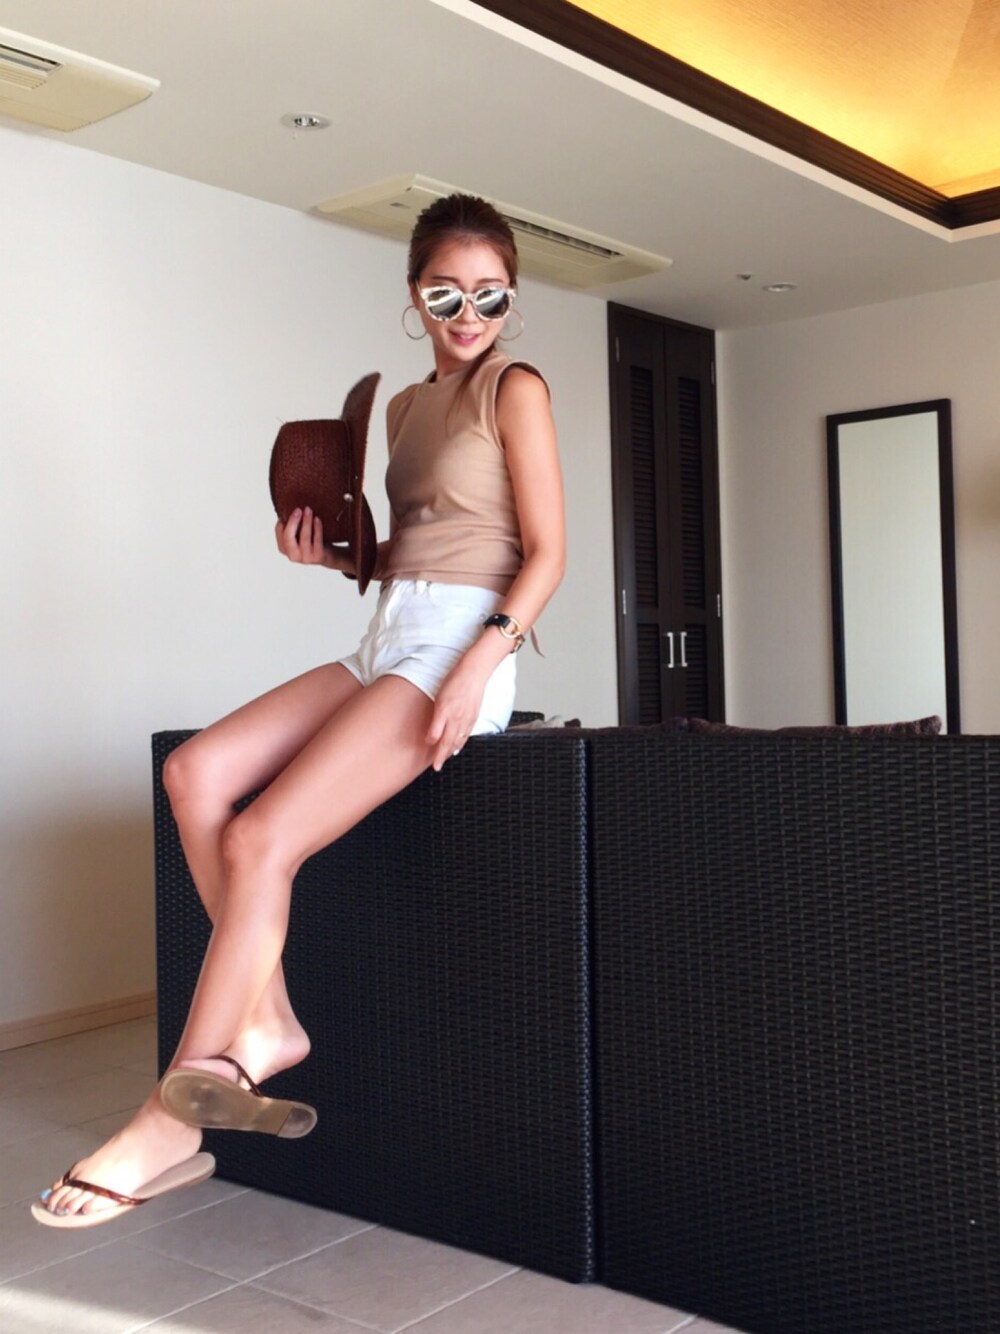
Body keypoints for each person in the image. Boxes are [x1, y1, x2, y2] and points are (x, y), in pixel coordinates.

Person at [33, 192, 565, 1225]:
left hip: (460, 645)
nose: (468, 314)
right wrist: (335, 558)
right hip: (388, 636)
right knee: (193, 774)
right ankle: (267, 1016)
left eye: (490, 295)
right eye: (446, 294)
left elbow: (545, 551)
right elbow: (416, 544)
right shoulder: (406, 408)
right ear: (414, 295)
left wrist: (479, 664)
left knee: (262, 838)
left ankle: (176, 1108)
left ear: (511, 297)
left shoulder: (516, 387)